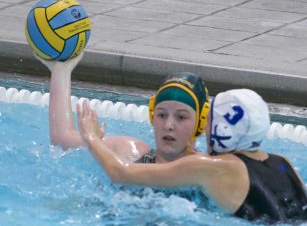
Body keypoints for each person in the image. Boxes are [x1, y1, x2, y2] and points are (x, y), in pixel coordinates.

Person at [77, 88, 307, 225]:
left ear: (223, 128)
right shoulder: (283, 162)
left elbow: (120, 173)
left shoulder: (211, 167)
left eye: (211, 121)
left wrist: (91, 138)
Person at [37, 54, 209, 164]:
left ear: (200, 123)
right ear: (152, 116)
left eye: (181, 117)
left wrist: (94, 142)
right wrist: (61, 70)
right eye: (162, 114)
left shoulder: (211, 170)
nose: (169, 125)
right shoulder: (131, 152)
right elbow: (62, 139)